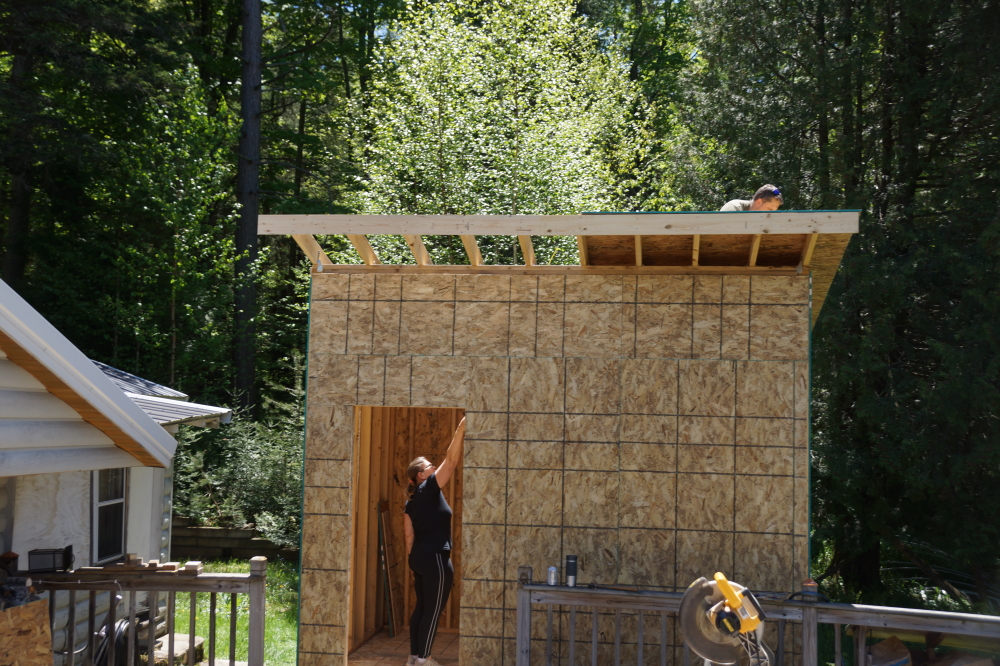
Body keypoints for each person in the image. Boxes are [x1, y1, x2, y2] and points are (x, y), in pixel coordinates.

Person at [403, 415, 466, 666]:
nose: (434, 467)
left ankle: (413, 656)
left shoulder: (410, 502)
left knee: (421, 608)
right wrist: (461, 428)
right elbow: (451, 462)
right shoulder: (428, 487)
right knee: (433, 609)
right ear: (421, 474)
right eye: (429, 466)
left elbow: (408, 536)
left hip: (418, 558)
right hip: (436, 558)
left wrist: (413, 560)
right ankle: (423, 659)